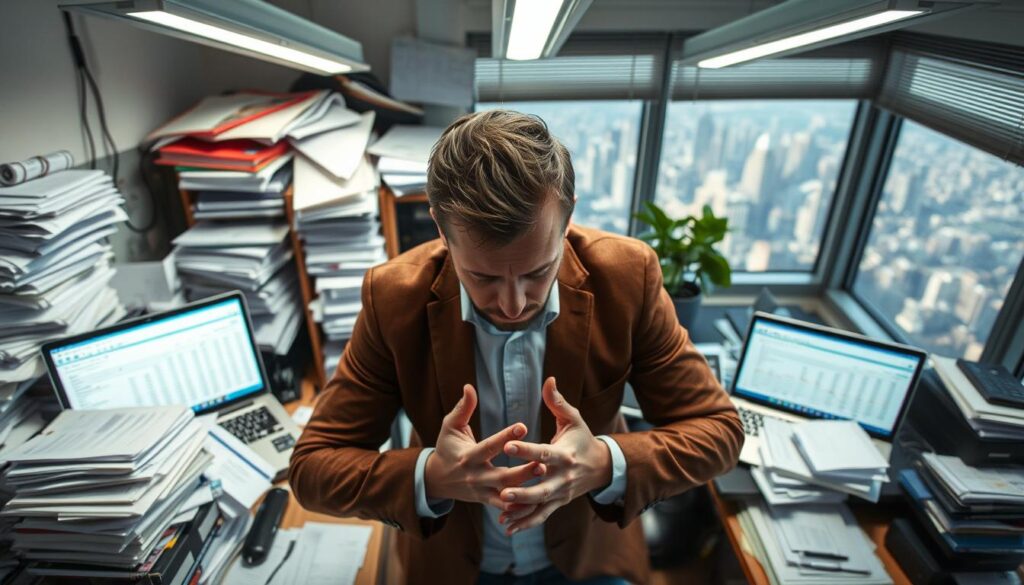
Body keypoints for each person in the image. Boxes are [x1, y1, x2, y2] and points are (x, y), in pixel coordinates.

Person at [289, 110, 744, 585]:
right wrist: (432, 477)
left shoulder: (629, 277)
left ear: (567, 217)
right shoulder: (392, 297)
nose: (513, 303)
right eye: (482, 277)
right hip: (455, 565)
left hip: (587, 558)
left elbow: (719, 432)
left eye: (537, 271)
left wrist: (604, 463)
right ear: (442, 231)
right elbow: (313, 467)